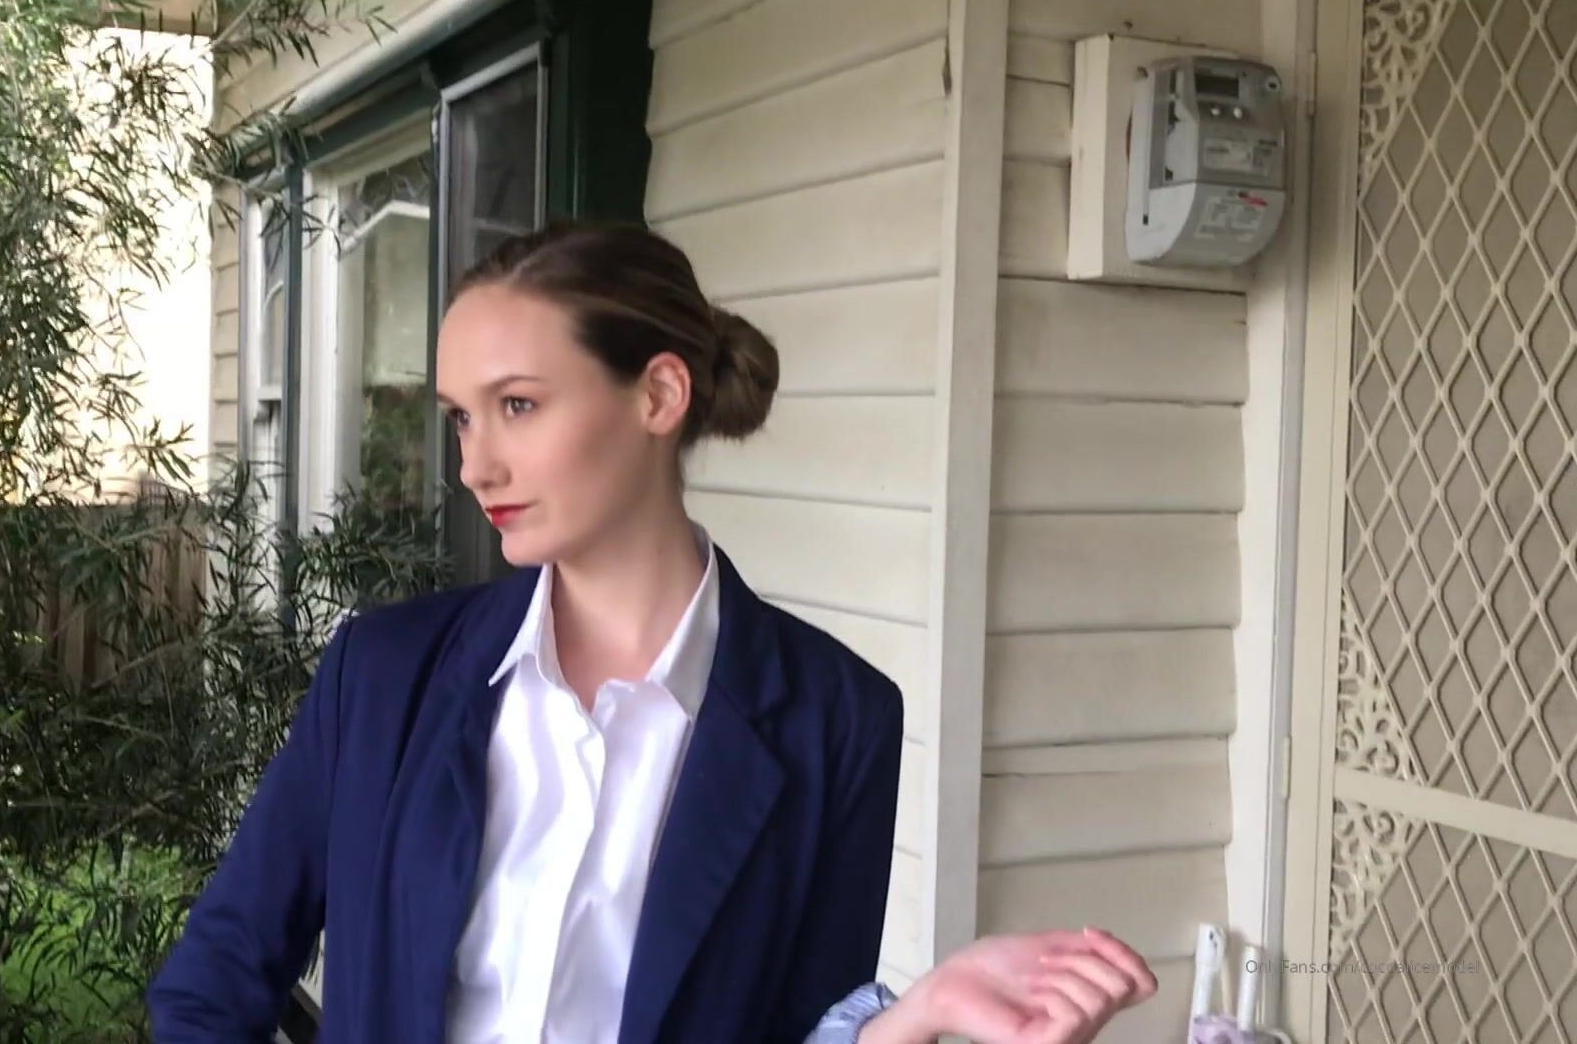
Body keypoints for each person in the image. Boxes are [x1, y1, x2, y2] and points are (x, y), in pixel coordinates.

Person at [147, 222, 1159, 1043]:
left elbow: (802, 1026)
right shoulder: (382, 677)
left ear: (659, 395)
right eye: (462, 416)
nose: (475, 466)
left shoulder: (836, 719)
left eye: (517, 405)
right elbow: (212, 987)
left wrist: (913, 1020)